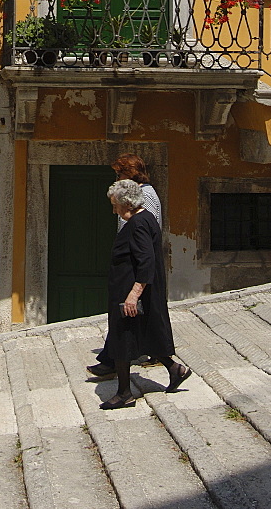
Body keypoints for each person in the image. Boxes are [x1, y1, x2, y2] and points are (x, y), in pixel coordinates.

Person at [97, 178, 190, 410]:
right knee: (146, 333)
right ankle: (175, 369)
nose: (113, 209)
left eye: (115, 204)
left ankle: (124, 393)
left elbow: (146, 261)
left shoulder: (138, 224)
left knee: (122, 339)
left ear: (126, 203)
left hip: (129, 293)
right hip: (136, 290)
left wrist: (133, 295)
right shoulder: (146, 218)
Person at [88, 153, 161, 378]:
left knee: (128, 314)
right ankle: (114, 359)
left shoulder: (144, 195)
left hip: (135, 263)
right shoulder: (132, 193)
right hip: (130, 260)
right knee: (124, 316)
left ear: (129, 173)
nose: (117, 177)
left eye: (119, 173)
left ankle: (119, 363)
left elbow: (147, 231)